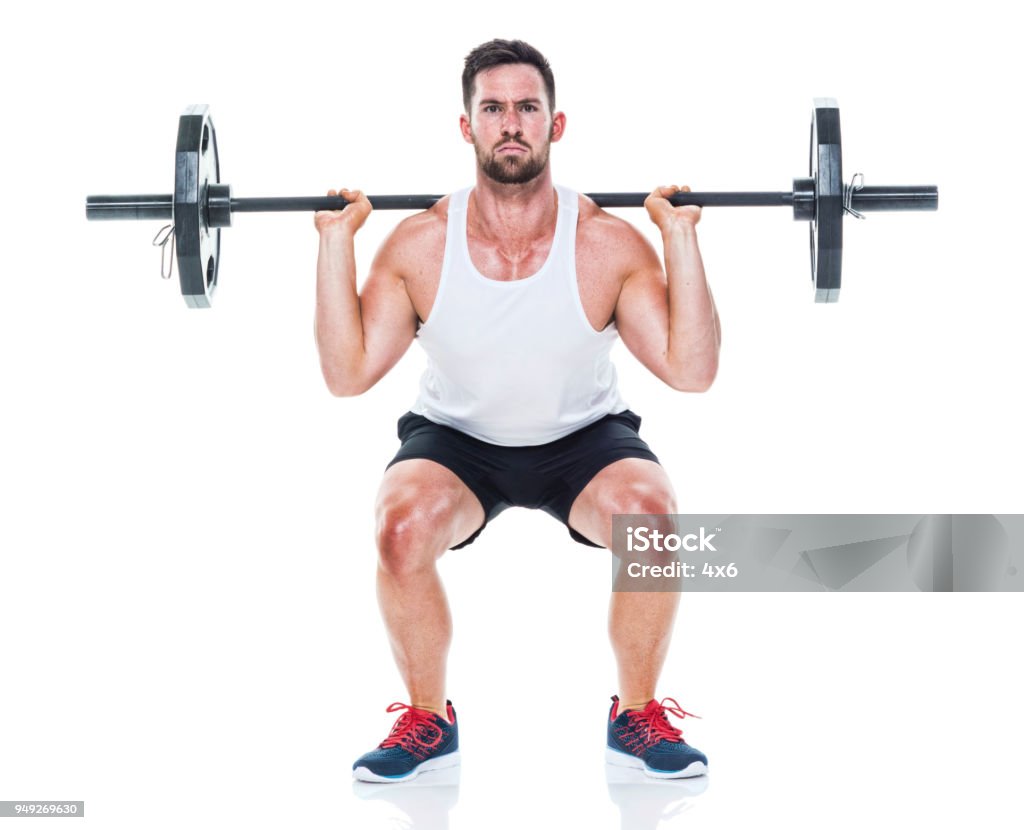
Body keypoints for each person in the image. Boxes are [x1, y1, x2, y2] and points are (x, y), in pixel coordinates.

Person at [314, 39, 720, 783]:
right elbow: (347, 376)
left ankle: (635, 715)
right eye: (493, 108)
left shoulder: (605, 243)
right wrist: (336, 245)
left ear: (555, 125)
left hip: (583, 438)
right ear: (466, 127)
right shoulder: (419, 246)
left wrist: (682, 239)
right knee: (400, 532)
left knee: (655, 526)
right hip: (457, 441)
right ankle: (428, 721)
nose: (511, 123)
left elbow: (691, 373)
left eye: (527, 108)